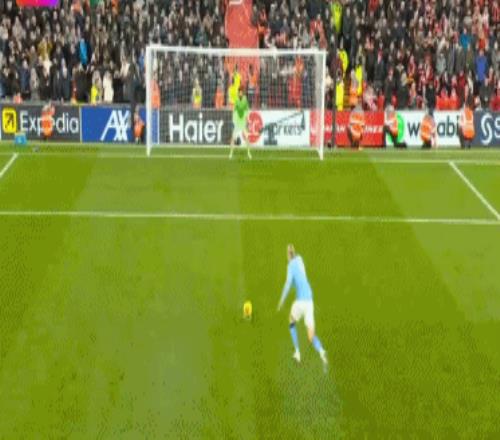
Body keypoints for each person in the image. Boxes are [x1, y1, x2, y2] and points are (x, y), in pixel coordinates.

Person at [277, 244, 328, 370]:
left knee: (291, 321)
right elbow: (301, 277)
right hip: (309, 301)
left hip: (300, 302)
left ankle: (297, 352)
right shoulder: (300, 260)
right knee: (311, 336)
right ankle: (322, 352)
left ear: (288, 255)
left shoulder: (290, 266)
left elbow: (288, 284)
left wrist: (281, 301)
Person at [229, 87, 251, 159]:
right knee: (233, 138)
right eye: (239, 92)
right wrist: (234, 120)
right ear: (238, 93)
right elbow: (234, 110)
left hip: (243, 122)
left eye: (241, 92)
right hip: (238, 122)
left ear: (243, 93)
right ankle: (231, 153)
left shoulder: (245, 100)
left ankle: (248, 152)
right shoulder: (236, 100)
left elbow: (247, 110)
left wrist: (247, 119)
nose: (240, 94)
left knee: (247, 138)